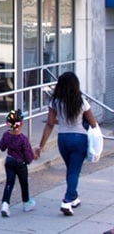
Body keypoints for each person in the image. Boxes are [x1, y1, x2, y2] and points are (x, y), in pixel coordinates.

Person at [34, 71, 98, 216]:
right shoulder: (82, 102)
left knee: (70, 170)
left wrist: (41, 145)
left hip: (63, 139)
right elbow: (93, 123)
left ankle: (74, 197)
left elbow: (49, 124)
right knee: (74, 171)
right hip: (79, 139)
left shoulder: (55, 102)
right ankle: (67, 201)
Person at [0, 109, 36, 217]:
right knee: (23, 183)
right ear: (21, 124)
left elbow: (2, 147)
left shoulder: (7, 135)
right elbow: (28, 153)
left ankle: (5, 204)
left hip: (9, 160)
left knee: (9, 182)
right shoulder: (23, 139)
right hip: (20, 163)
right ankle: (26, 202)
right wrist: (30, 160)